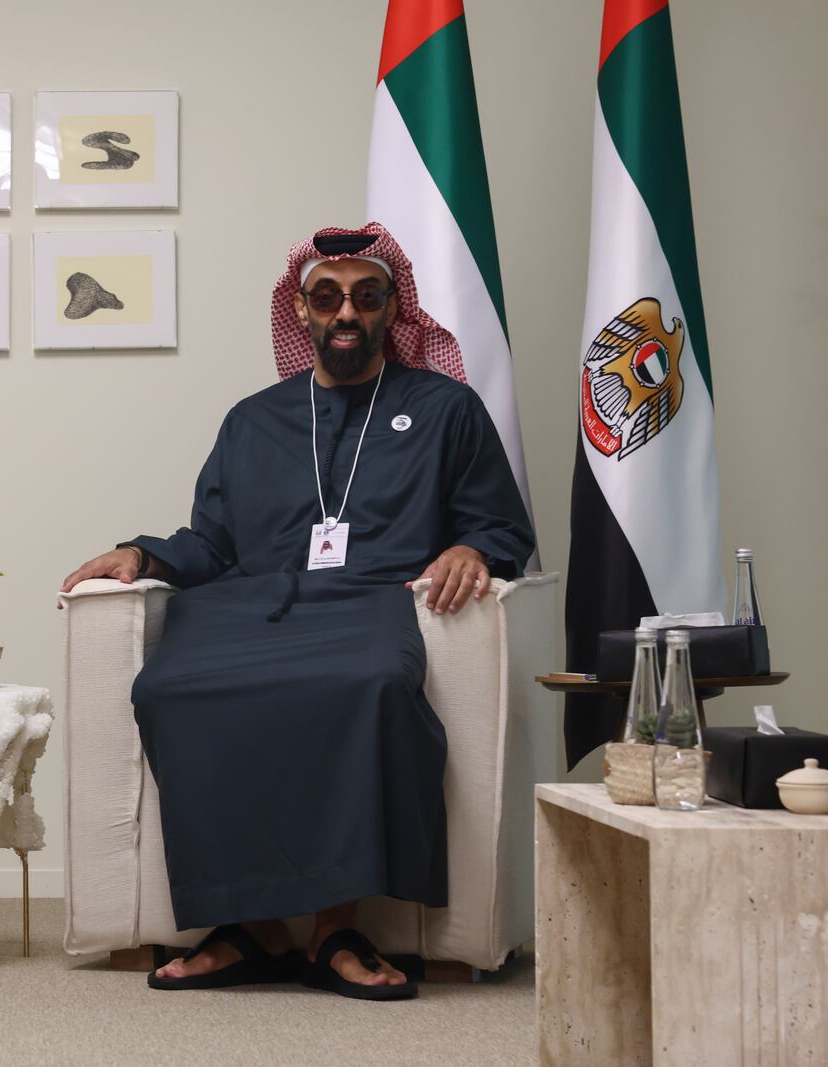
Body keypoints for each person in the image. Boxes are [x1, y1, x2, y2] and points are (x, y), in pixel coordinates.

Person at [60, 224, 535, 1000]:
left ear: (391, 310)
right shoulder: (254, 419)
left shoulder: (446, 408)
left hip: (369, 604)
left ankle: (336, 928)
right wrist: (142, 557)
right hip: (248, 606)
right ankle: (250, 928)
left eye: (366, 296)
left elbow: (499, 522)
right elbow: (210, 540)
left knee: (368, 685)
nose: (346, 312)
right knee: (169, 689)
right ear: (303, 312)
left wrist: (472, 549)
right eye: (327, 296)